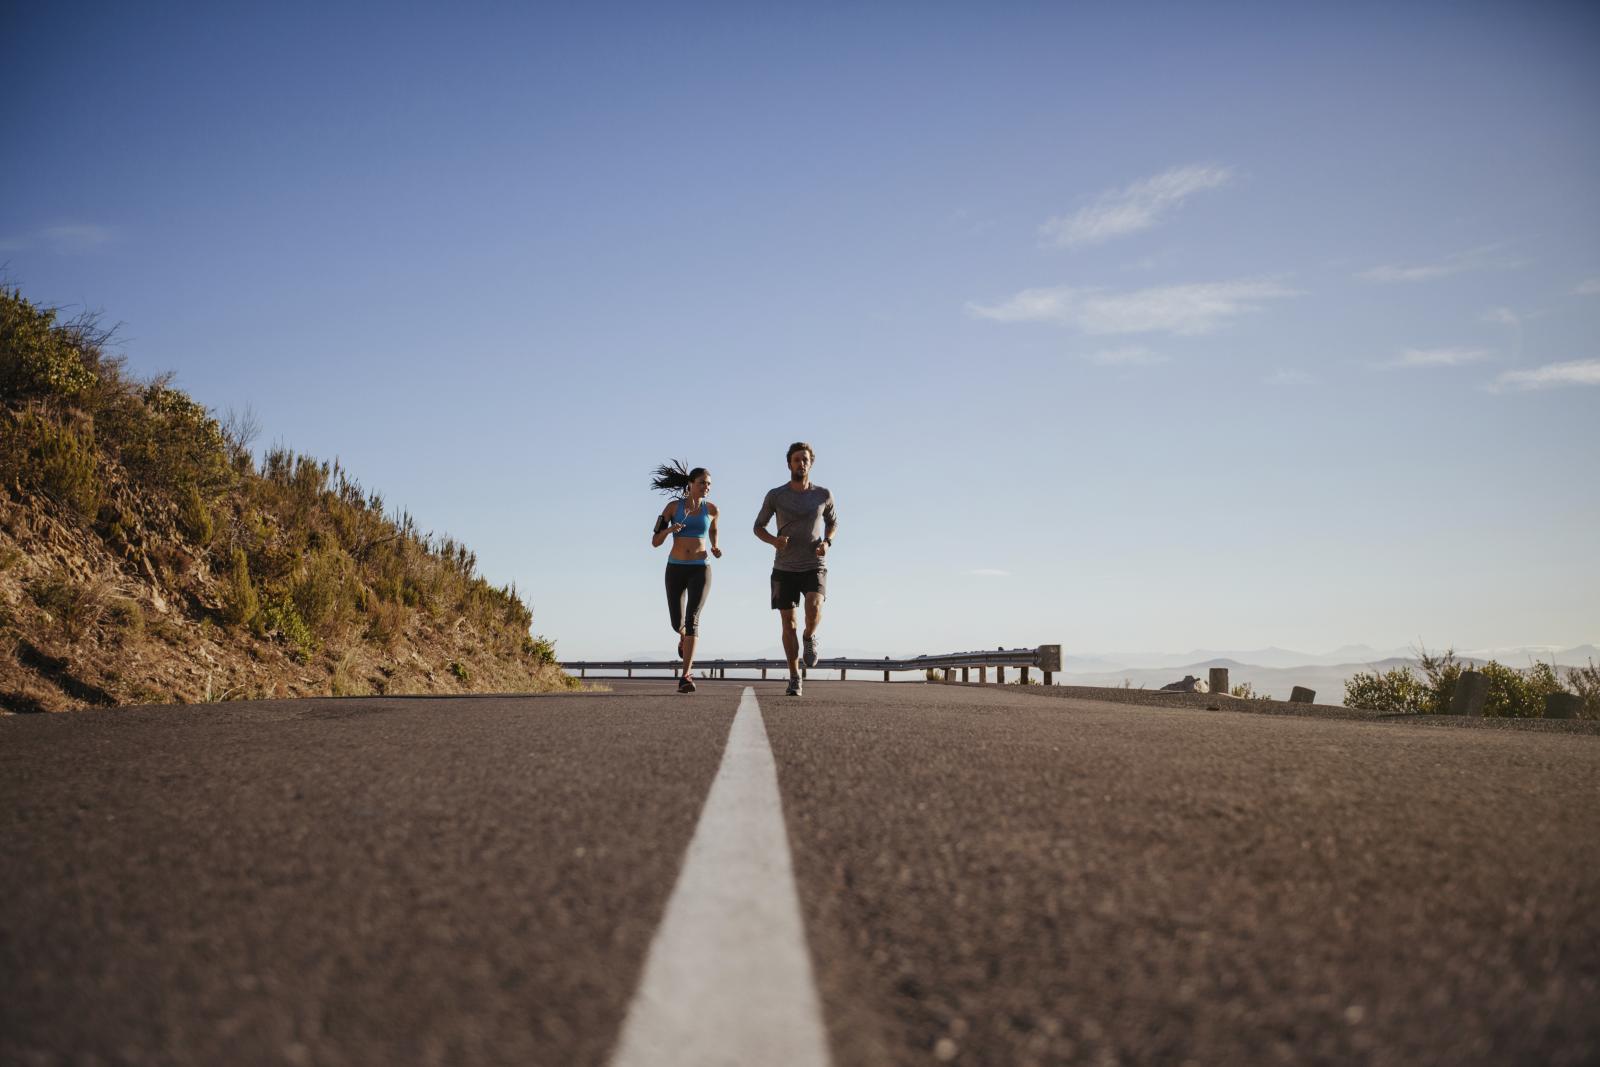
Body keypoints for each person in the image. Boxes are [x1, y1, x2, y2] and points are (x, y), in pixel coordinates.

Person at [753, 441, 838, 697]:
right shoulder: (776, 495)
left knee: (813, 609)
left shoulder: (823, 494)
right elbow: (758, 526)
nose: (801, 463)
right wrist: (774, 541)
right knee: (788, 624)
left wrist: (827, 542)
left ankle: (810, 636)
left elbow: (832, 522)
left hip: (814, 564)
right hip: (785, 567)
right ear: (789, 464)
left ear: (811, 463)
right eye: (796, 459)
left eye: (805, 459)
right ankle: (794, 676)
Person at [650, 461, 721, 693]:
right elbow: (655, 542)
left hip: (701, 568)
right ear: (690, 485)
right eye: (702, 483)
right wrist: (670, 530)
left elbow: (713, 529)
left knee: (693, 619)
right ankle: (682, 636)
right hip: (675, 568)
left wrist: (715, 546)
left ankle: (686, 675)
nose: (706, 487)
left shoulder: (712, 509)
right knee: (676, 622)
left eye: (709, 484)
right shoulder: (672, 508)